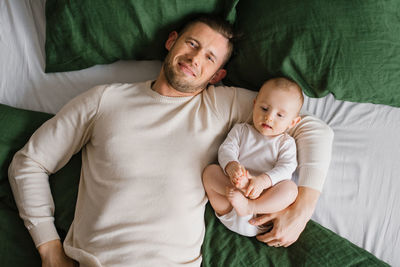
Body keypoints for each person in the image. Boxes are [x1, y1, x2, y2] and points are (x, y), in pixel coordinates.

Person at [8, 15, 333, 267]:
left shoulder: (220, 105)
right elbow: (30, 162)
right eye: (192, 44)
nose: (195, 59)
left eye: (209, 58)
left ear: (217, 75)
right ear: (172, 41)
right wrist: (49, 248)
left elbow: (312, 128)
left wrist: (303, 207)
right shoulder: (104, 100)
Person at [202, 77, 303, 237]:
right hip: (229, 202)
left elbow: (286, 168)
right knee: (210, 172)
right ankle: (242, 193)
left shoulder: (285, 143)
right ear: (254, 104)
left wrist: (263, 181)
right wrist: (232, 166)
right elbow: (226, 150)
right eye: (264, 108)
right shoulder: (241, 130)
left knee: (290, 189)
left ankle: (249, 205)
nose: (269, 117)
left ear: (292, 122)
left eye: (280, 115)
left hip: (260, 212)